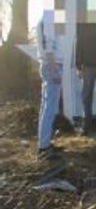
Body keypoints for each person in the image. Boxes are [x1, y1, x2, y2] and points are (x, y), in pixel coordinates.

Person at [36, 9, 64, 159]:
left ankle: (44, 142)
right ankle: (44, 147)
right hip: (52, 65)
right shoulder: (50, 16)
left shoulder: (48, 17)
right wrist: (54, 68)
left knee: (46, 105)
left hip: (50, 64)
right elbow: (49, 45)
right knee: (50, 107)